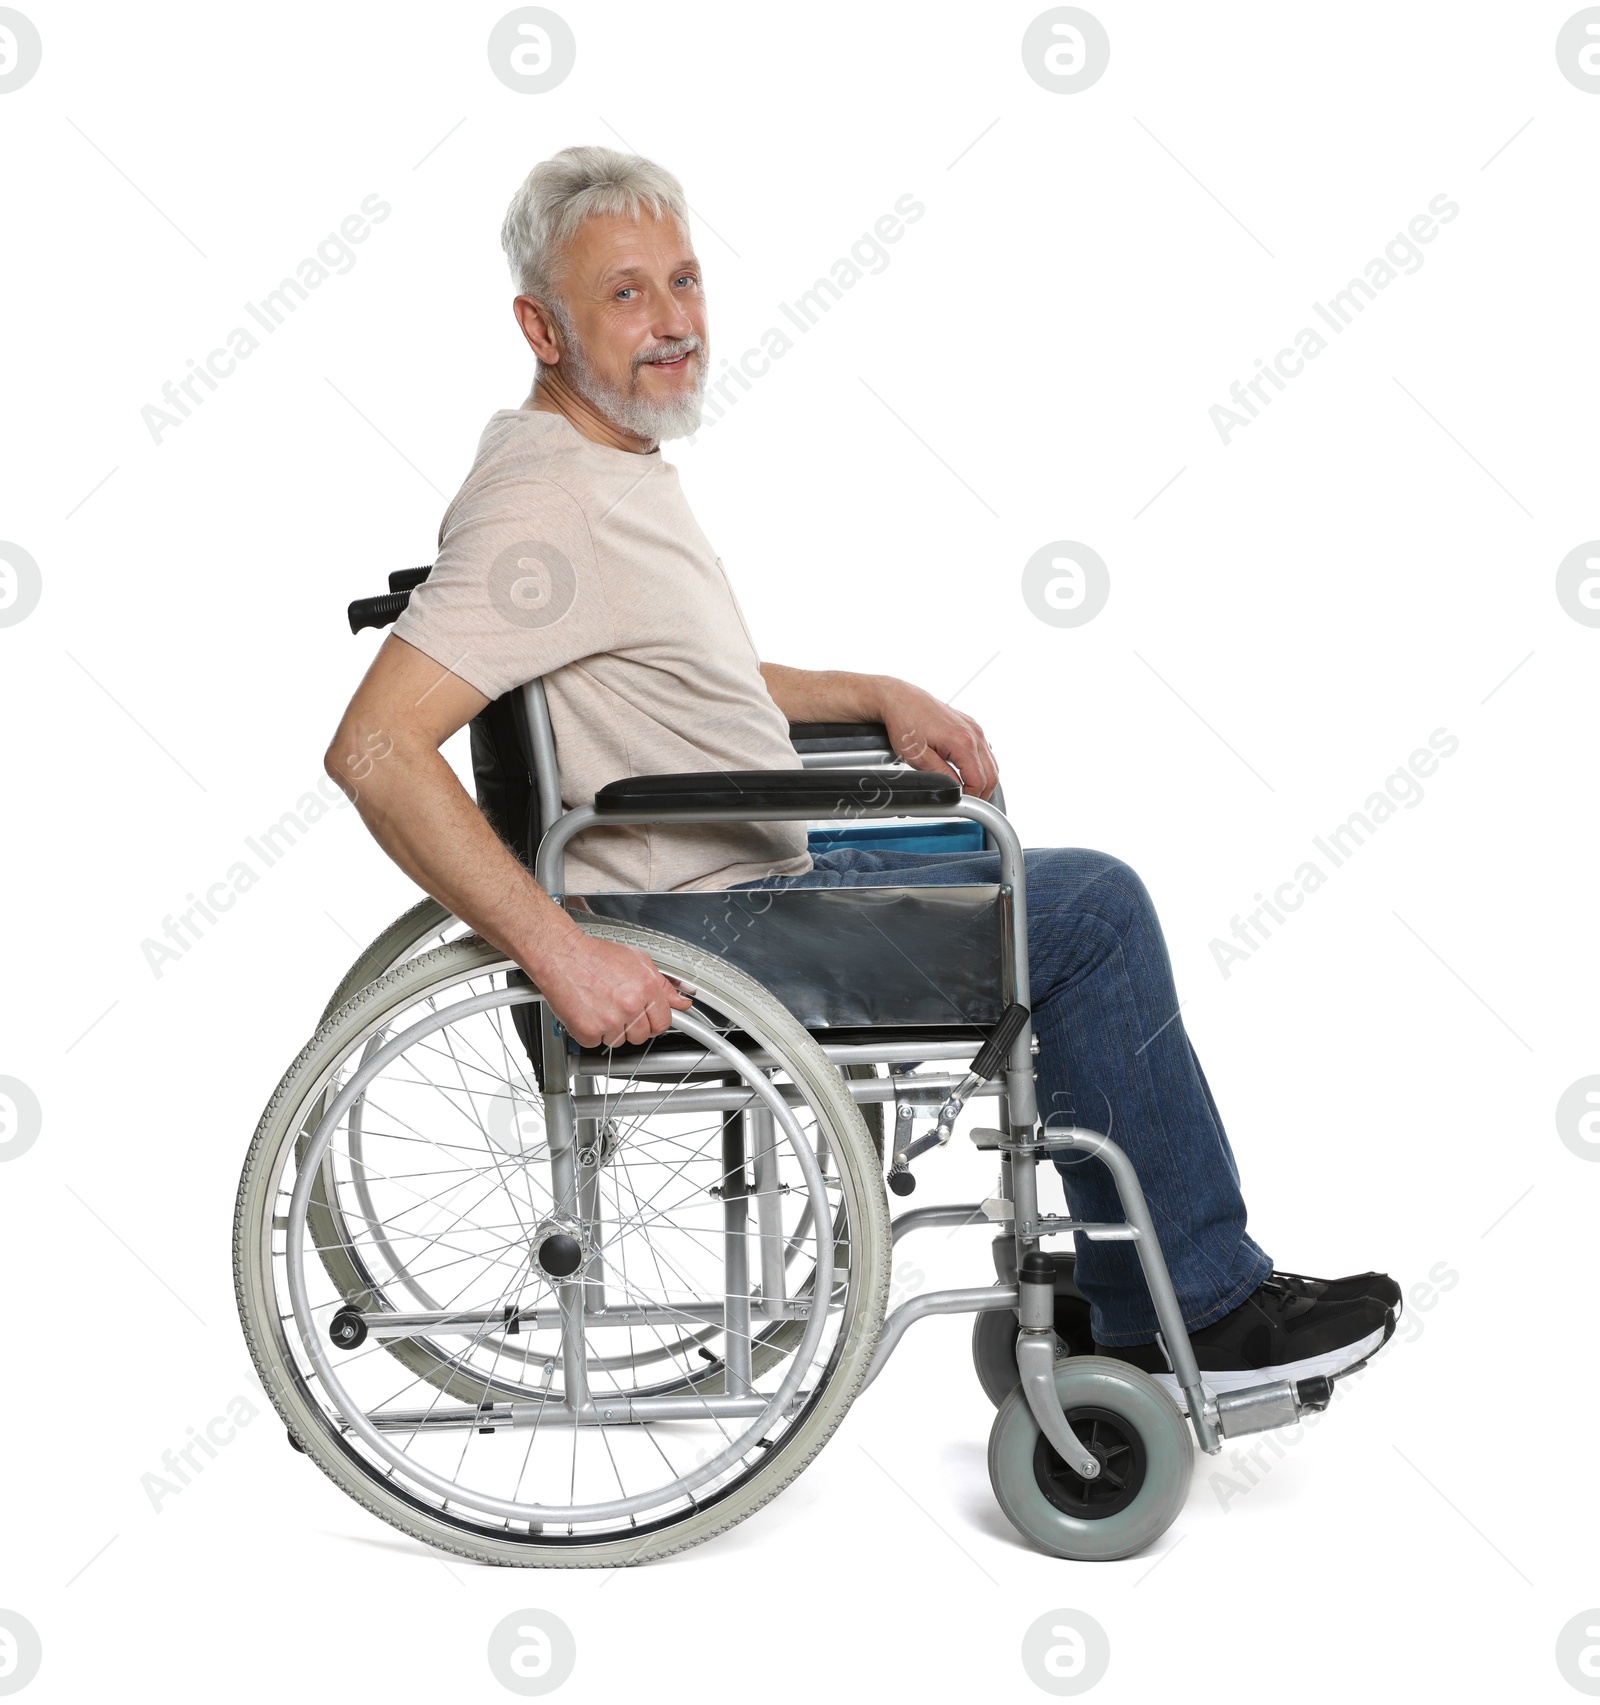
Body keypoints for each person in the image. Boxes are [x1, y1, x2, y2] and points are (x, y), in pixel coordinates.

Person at [325, 144, 1397, 1394]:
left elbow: (685, 679)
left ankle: (1129, 1291)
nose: (673, 323)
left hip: (729, 875)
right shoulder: (543, 512)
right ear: (541, 327)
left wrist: (875, 695)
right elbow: (376, 748)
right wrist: (556, 948)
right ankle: (1194, 1312)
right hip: (701, 925)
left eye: (683, 281)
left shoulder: (595, 467)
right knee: (1090, 912)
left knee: (983, 847)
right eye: (624, 295)